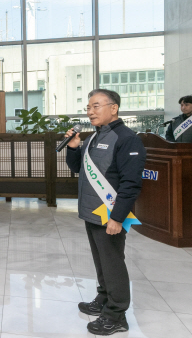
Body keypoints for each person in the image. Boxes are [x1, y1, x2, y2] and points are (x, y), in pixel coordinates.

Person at [65, 89, 146, 336]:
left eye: (96, 106)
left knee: (113, 264)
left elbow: (131, 183)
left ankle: (117, 314)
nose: (90, 112)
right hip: (92, 211)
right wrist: (73, 147)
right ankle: (103, 298)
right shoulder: (94, 137)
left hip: (110, 214)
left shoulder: (127, 138)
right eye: (88, 107)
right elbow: (77, 168)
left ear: (114, 108)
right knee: (101, 261)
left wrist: (117, 218)